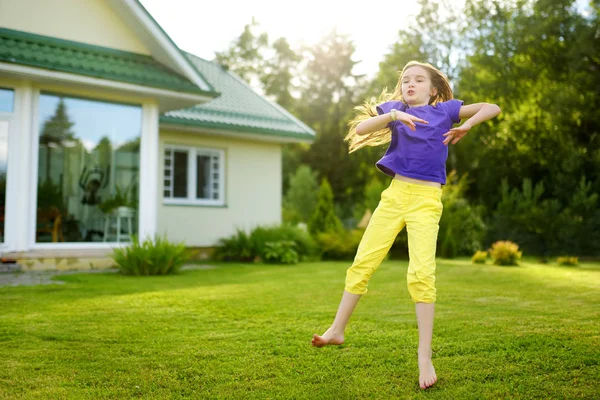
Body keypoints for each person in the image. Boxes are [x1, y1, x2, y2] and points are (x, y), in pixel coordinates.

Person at [311, 61, 501, 390]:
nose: (410, 84)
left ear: (434, 89)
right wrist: (393, 116)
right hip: (395, 196)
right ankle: (337, 329)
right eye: (405, 80)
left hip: (426, 200)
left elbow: (492, 107)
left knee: (422, 274)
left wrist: (468, 124)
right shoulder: (396, 110)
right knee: (363, 263)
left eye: (418, 80)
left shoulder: (445, 111)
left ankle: (424, 356)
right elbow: (361, 129)